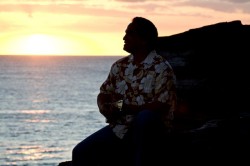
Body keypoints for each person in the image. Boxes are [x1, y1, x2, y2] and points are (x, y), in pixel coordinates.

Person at [63, 16, 177, 166]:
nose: (124, 37)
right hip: (120, 128)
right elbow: (104, 93)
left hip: (149, 131)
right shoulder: (119, 66)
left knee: (145, 117)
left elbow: (162, 105)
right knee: (80, 152)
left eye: (130, 33)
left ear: (143, 40)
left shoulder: (161, 68)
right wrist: (104, 107)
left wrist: (128, 108)